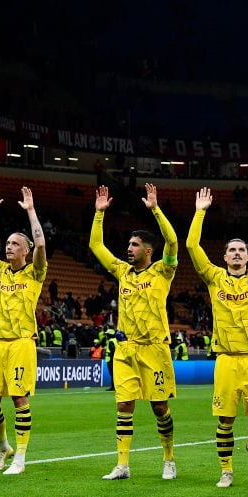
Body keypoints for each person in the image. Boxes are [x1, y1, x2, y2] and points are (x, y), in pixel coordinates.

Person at [186, 186, 248, 487]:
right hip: (226, 360)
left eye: (242, 250)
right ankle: (226, 470)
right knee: (225, 420)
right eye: (232, 250)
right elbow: (190, 246)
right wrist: (200, 212)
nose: (237, 253)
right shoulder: (214, 278)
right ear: (224, 257)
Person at [90, 183, 179, 481]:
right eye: (128, 245)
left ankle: (168, 458)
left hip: (155, 348)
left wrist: (155, 209)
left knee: (159, 407)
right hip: (126, 349)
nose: (128, 248)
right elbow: (96, 247)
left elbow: (173, 241)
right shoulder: (121, 272)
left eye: (134, 245)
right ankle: (123, 464)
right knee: (124, 406)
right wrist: (99, 215)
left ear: (149, 250)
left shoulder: (163, 271)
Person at [0, 186, 48, 475]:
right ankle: (4, 447)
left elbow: (41, 245)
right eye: (7, 243)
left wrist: (30, 211)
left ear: (25, 250)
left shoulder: (36, 272)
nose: (9, 247)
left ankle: (21, 458)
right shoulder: (2, 271)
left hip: (22, 343)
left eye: (15, 244)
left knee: (19, 399)